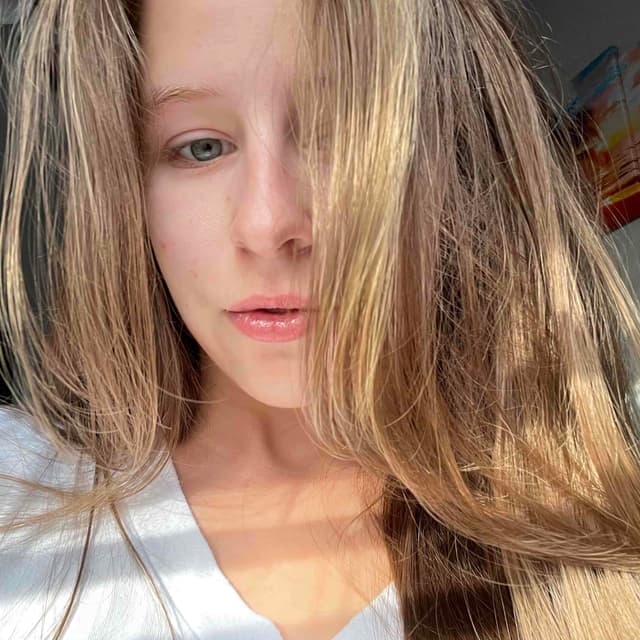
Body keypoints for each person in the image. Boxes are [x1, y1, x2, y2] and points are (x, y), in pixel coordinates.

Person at [1, 0, 640, 639]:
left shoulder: (585, 532)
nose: (267, 224)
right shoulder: (17, 496)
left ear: (460, 166)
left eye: (345, 131)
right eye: (200, 147)